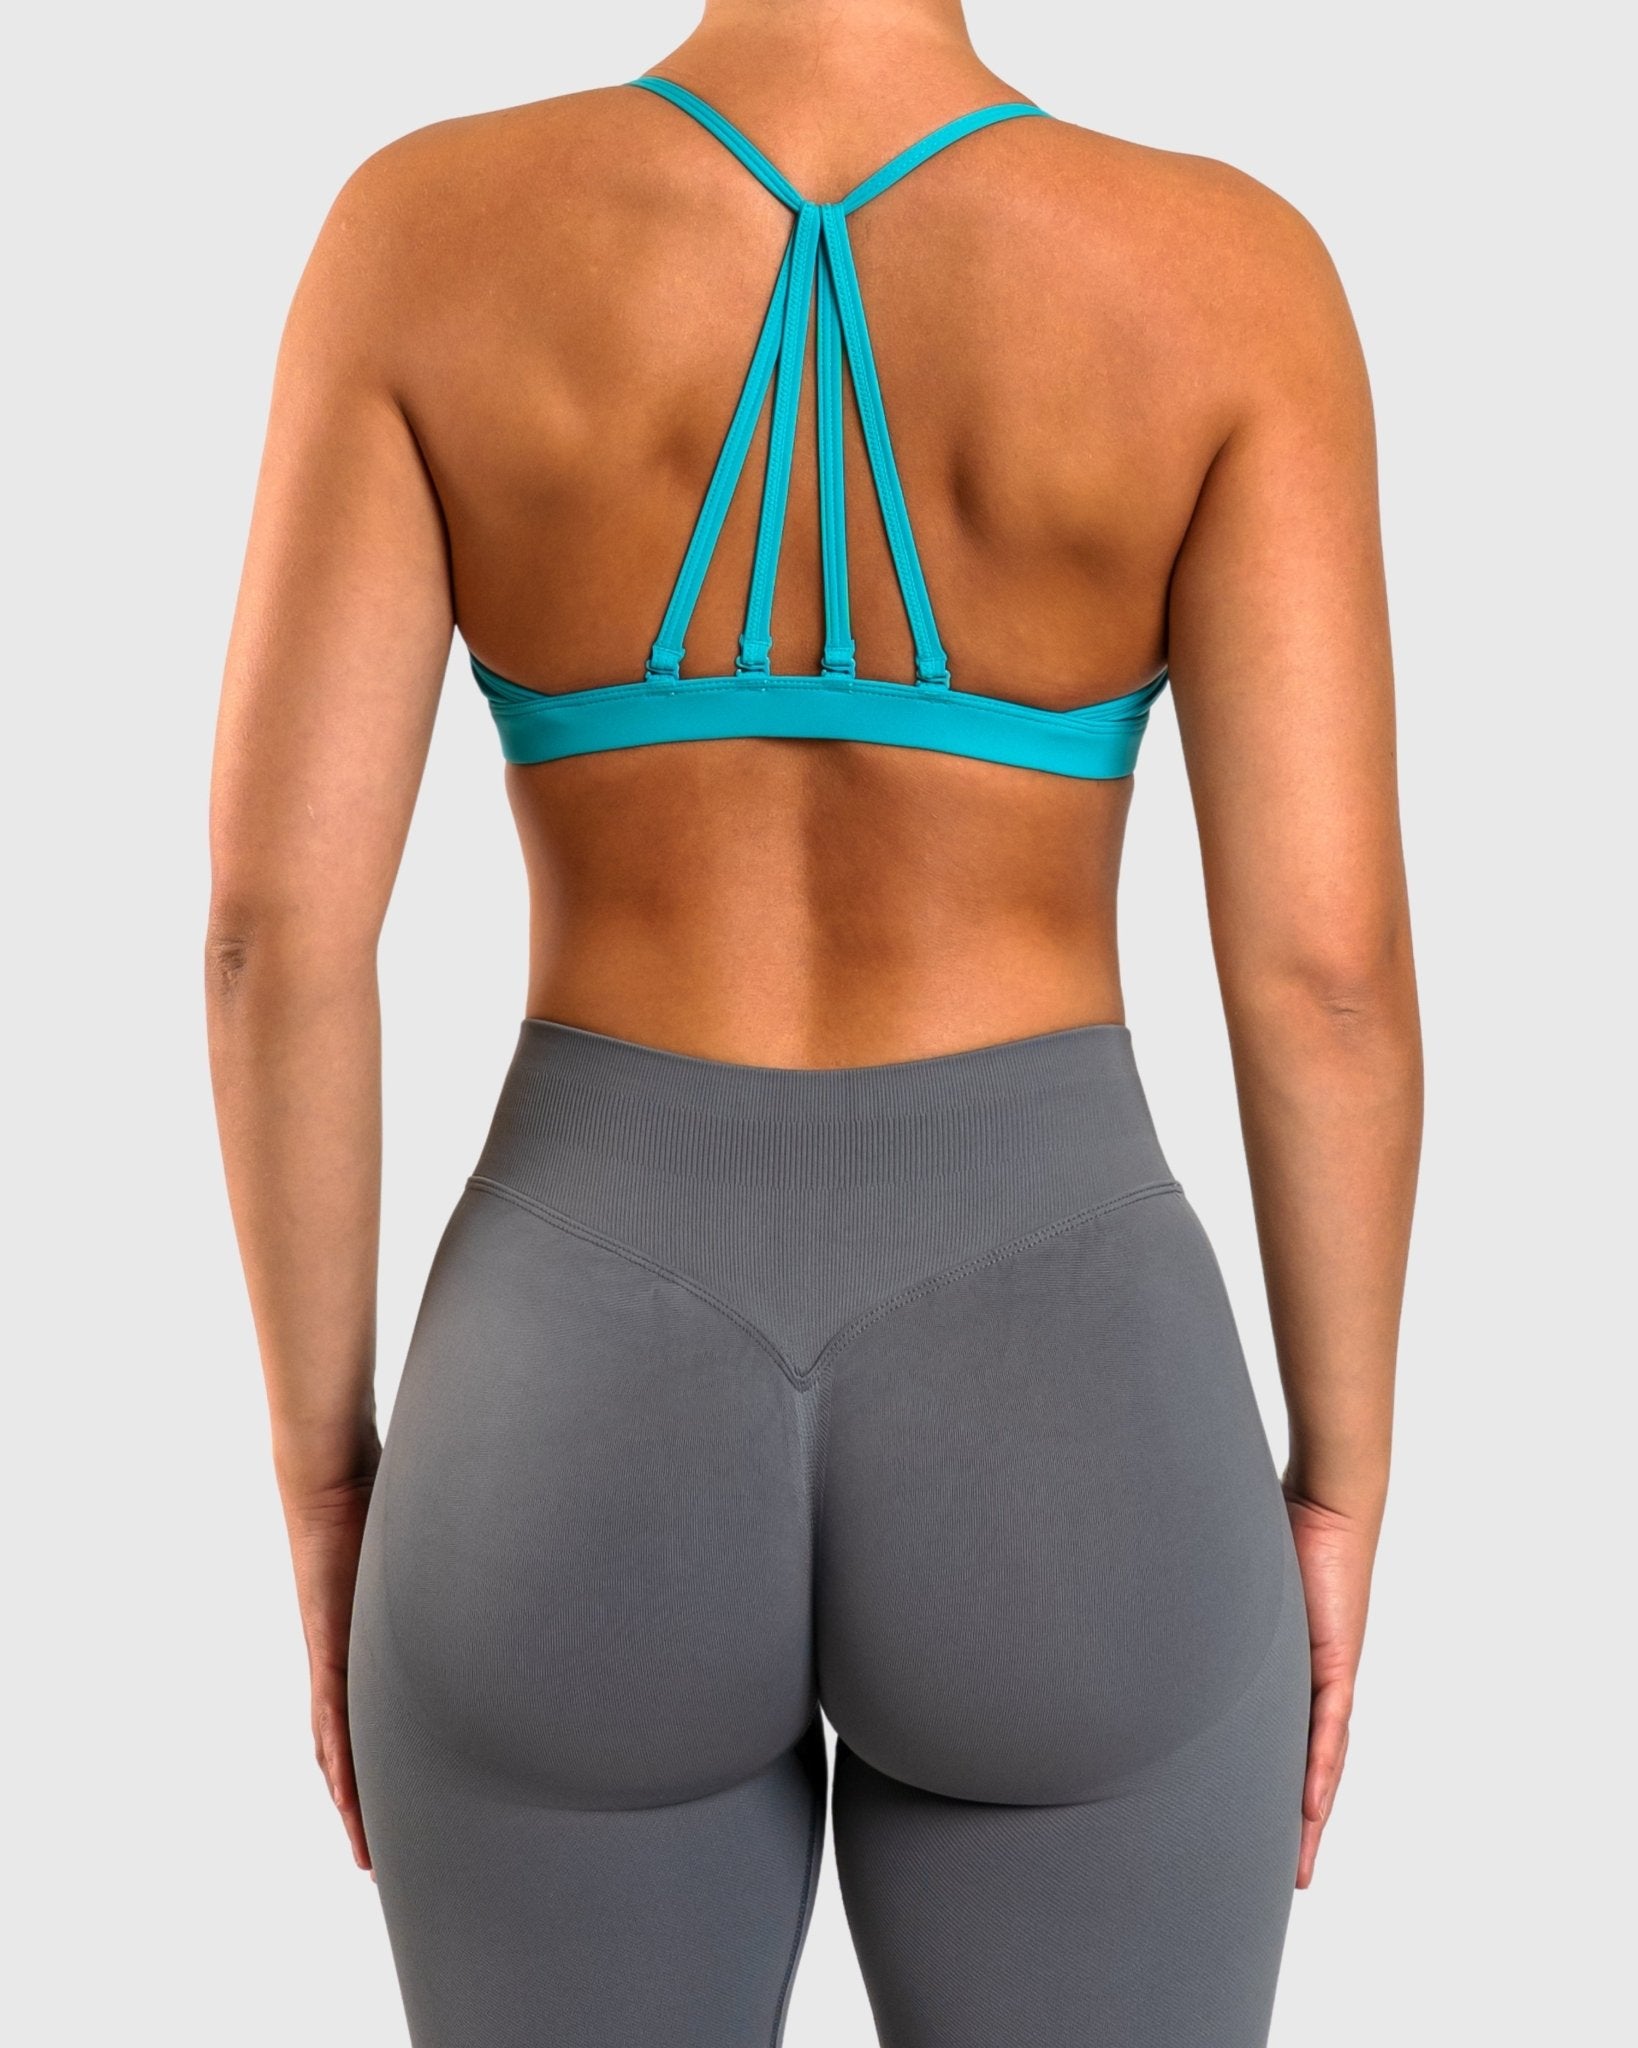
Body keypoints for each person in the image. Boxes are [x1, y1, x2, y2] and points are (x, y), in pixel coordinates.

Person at [206, 2, 1422, 2042]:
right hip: (1073, 1395)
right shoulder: (1224, 276)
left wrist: (327, 1475)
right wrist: (1341, 1484)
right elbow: (1329, 981)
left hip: (565, 1393)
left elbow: (273, 941)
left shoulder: (424, 236)